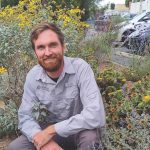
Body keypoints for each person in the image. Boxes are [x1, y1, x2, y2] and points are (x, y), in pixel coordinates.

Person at [8, 22, 105, 150]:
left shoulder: (80, 68)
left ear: (63, 47)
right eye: (41, 47)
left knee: (90, 140)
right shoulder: (33, 76)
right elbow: (25, 116)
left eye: (52, 45)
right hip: (48, 133)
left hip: (79, 131)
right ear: (35, 52)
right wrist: (42, 140)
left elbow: (95, 114)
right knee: (16, 147)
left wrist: (51, 130)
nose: (47, 52)